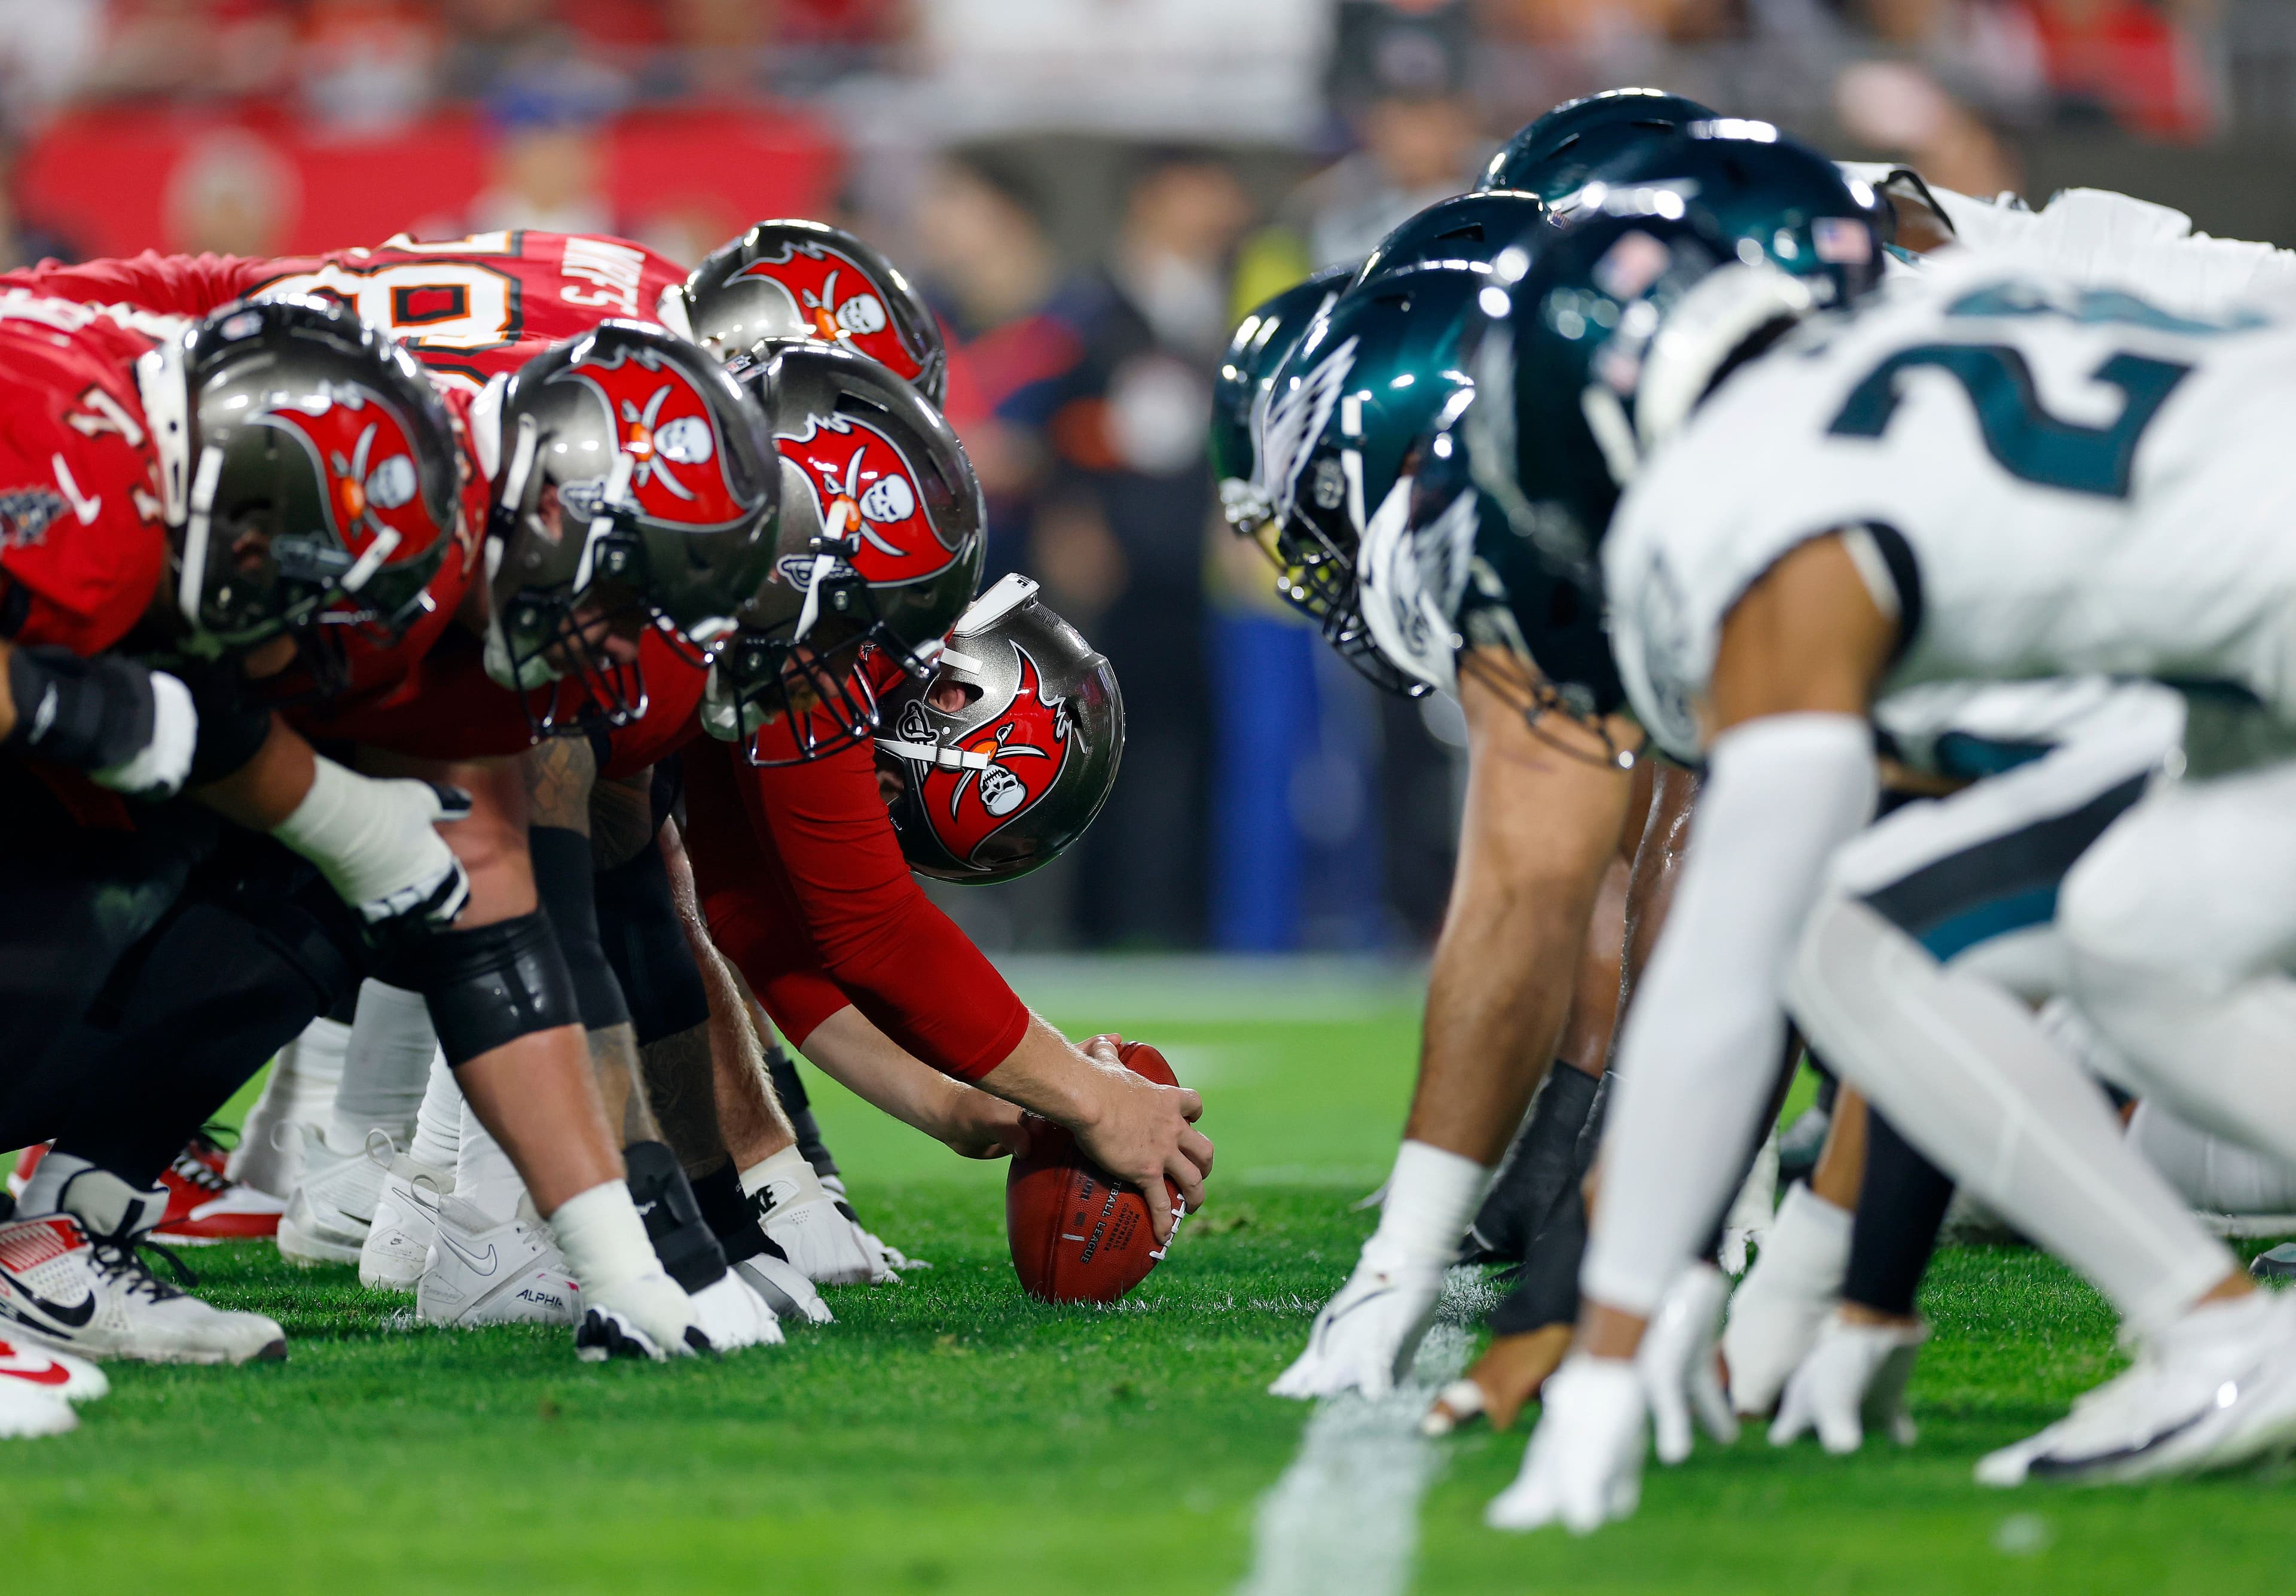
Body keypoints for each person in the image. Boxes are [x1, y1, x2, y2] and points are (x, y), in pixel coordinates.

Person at [1443, 176, 2296, 1527]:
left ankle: (2214, 1335)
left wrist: (1607, 1347)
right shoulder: (1942, 323)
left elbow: (1733, 964)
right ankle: (2224, 1345)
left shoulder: (1736, 497)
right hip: (2256, 674)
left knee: (1859, 942)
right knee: (2128, 928)